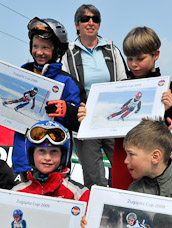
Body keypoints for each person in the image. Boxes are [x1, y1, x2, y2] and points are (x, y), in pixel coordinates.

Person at [0, 17, 84, 182]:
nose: (39, 52)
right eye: (35, 46)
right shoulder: (20, 75)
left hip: (54, 162)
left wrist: (67, 111)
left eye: (45, 47)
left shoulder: (66, 81)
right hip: (24, 161)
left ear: (57, 50)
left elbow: (80, 120)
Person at [78, 26, 172, 192]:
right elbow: (102, 117)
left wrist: (169, 109)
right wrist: (87, 115)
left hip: (152, 159)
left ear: (156, 55)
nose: (134, 64)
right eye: (129, 59)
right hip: (123, 156)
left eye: (140, 58)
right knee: (121, 200)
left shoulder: (168, 88)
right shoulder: (119, 87)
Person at [62, 4, 128, 188]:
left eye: (95, 19)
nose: (90, 22)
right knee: (94, 177)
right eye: (85, 19)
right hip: (86, 120)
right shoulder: (68, 53)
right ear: (77, 24)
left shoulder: (111, 49)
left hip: (113, 118)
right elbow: (65, 87)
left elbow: (124, 80)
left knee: (122, 168)